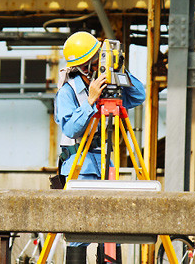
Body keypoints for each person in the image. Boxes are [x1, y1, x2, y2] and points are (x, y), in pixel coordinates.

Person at [54, 31, 146, 263]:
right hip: (79, 166)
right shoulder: (67, 92)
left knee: (111, 227)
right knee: (79, 231)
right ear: (85, 66)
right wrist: (90, 101)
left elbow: (139, 95)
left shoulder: (106, 86)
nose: (101, 62)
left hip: (104, 163)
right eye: (98, 58)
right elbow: (71, 129)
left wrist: (118, 70)